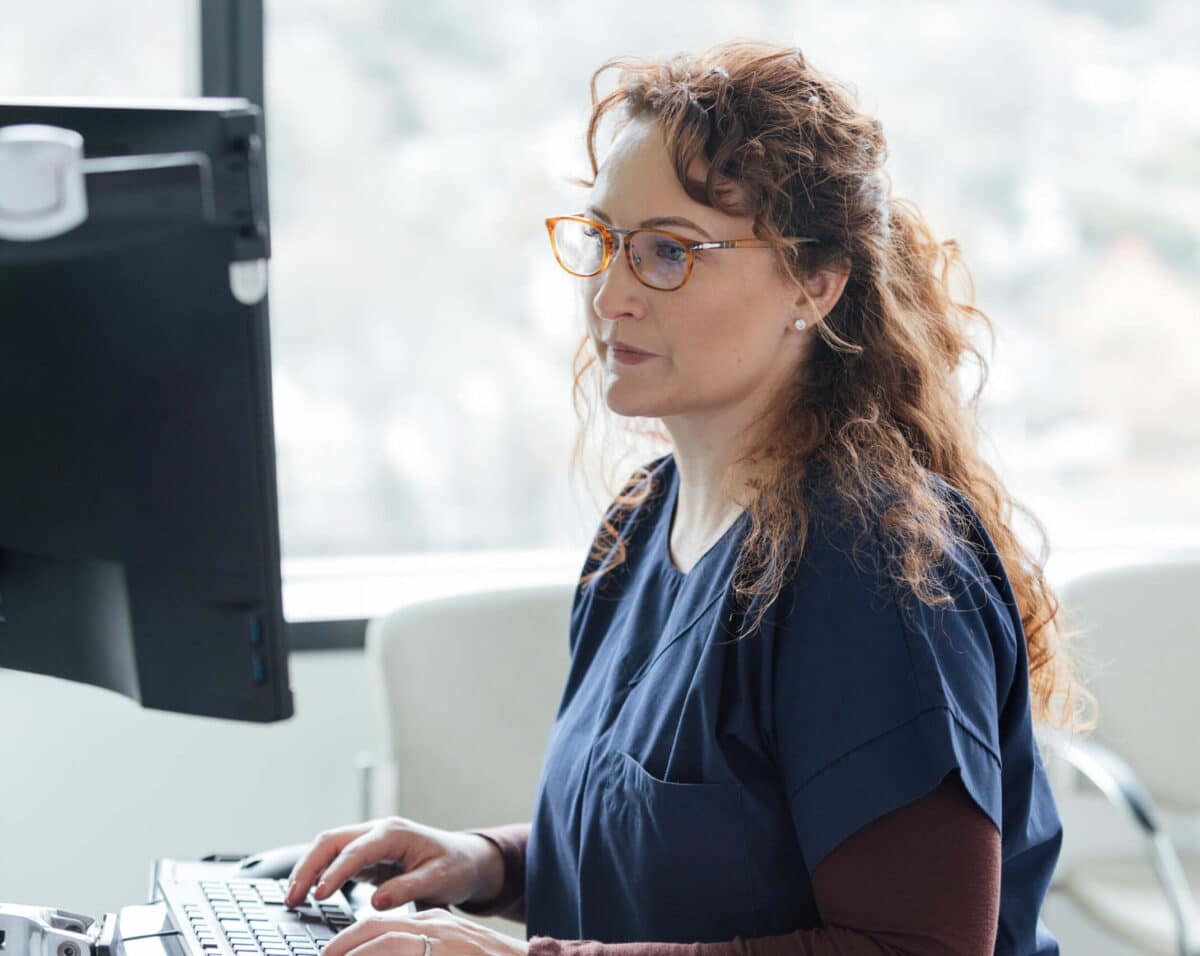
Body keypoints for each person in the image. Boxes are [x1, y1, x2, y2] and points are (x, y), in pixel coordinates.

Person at [284, 41, 1091, 956]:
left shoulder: (870, 565)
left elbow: (920, 950)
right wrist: (490, 864)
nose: (609, 295)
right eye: (605, 242)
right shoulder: (644, 522)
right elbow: (687, 862)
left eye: (669, 251)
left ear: (814, 284)